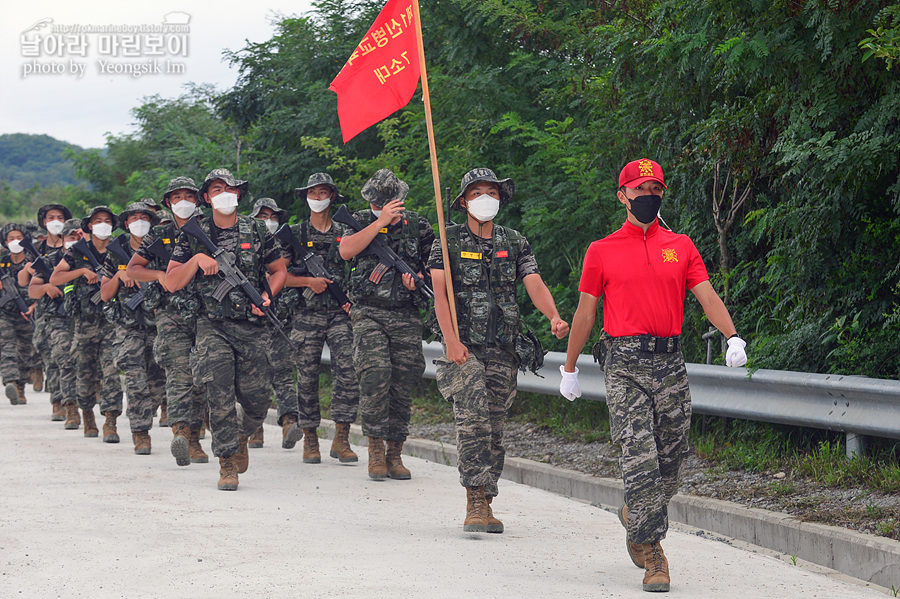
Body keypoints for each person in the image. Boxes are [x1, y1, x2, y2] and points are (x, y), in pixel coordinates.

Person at [559, 158, 748, 593]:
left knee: (672, 457)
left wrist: (732, 335)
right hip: (624, 362)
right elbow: (586, 313)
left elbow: (706, 295)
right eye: (640, 189)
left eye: (656, 190)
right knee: (638, 455)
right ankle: (653, 554)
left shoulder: (680, 246)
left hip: (670, 362)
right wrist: (569, 368)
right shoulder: (601, 250)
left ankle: (634, 512)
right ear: (622, 195)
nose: (649, 197)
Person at [428, 168, 569, 533]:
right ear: (463, 202)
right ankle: (474, 498)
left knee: (493, 426)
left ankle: (487, 499)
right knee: (472, 420)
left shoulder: (515, 241)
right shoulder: (446, 241)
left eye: (491, 192)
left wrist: (553, 315)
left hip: (503, 348)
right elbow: (439, 294)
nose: (485, 198)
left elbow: (533, 282)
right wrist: (450, 340)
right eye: (476, 193)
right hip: (463, 348)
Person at [166, 168, 288, 491]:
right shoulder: (194, 233)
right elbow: (171, 281)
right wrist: (196, 261)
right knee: (219, 392)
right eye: (216, 188)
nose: (224, 193)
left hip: (251, 327)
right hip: (212, 326)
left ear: (238, 194)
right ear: (206, 198)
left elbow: (279, 271)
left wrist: (266, 295)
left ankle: (242, 435)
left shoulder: (257, 230)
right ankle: (227, 462)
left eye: (229, 187)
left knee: (258, 400)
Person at [339, 168, 434, 480]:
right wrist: (378, 223)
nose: (388, 207)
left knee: (403, 381)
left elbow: (433, 266)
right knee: (374, 375)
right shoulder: (358, 220)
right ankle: (375, 448)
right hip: (368, 312)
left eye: (392, 203)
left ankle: (396, 451)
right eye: (380, 204)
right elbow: (346, 250)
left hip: (405, 313)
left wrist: (417, 282)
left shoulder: (418, 225)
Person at [127, 177, 209, 466]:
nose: (183, 201)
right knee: (179, 373)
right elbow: (134, 269)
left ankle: (197, 436)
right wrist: (160, 275)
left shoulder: (208, 230)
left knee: (202, 376)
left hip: (205, 312)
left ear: (198, 200)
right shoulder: (159, 235)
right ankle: (182, 433)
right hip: (171, 313)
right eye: (177, 197)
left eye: (189, 196)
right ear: (168, 203)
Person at [283, 173, 358, 464]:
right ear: (305, 198)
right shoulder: (295, 233)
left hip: (340, 313)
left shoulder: (345, 230)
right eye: (312, 193)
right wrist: (307, 283)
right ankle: (310, 438)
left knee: (348, 372)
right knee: (307, 377)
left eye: (323, 192)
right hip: (306, 313)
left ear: (332, 196)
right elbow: (277, 275)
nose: (317, 198)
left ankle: (341, 437)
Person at [50, 207, 124, 438]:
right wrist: (81, 271)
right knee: (85, 372)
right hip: (85, 323)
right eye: (97, 221)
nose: (103, 224)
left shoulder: (119, 250)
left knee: (112, 372)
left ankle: (110, 420)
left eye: (107, 221)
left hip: (112, 321)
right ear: (89, 226)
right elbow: (55, 277)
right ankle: (87, 414)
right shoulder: (78, 252)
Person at [99, 201, 166, 453]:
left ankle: (144, 417)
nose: (139, 221)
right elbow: (105, 295)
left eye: (145, 217)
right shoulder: (117, 251)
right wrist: (119, 275)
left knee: (158, 382)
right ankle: (141, 432)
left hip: (159, 324)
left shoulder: (160, 249)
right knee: (136, 380)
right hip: (128, 326)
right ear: (126, 224)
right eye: (134, 217)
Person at [247, 197, 294, 450]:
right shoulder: (246, 244)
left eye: (273, 217)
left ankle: (289, 422)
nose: (269, 221)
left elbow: (289, 275)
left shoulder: (287, 243)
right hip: (253, 320)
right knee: (253, 377)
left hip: (281, 318)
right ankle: (254, 428)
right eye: (263, 217)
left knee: (283, 372)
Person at [29, 218, 82, 428]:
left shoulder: (91, 259)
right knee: (62, 360)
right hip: (58, 319)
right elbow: (32, 289)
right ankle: (65, 405)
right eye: (70, 237)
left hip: (85, 318)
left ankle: (85, 404)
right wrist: (46, 288)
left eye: (77, 237)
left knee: (86, 365)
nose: (74, 241)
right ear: (62, 239)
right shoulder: (49, 261)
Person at [23, 203, 74, 419]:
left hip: (75, 309)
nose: (55, 221)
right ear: (43, 222)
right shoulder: (40, 251)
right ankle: (58, 401)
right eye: (50, 217)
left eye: (60, 217)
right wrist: (45, 286)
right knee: (53, 356)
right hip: (49, 311)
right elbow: (28, 283)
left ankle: (80, 399)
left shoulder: (74, 248)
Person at [1, 223, 37, 405]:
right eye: (11, 238)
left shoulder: (33, 259)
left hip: (27, 312)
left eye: (19, 238)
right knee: (6, 347)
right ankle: (10, 381)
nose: (15, 241)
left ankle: (21, 386)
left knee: (25, 351)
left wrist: (34, 306)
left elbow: (44, 283)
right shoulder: (1, 259)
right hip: (4, 313)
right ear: (5, 242)